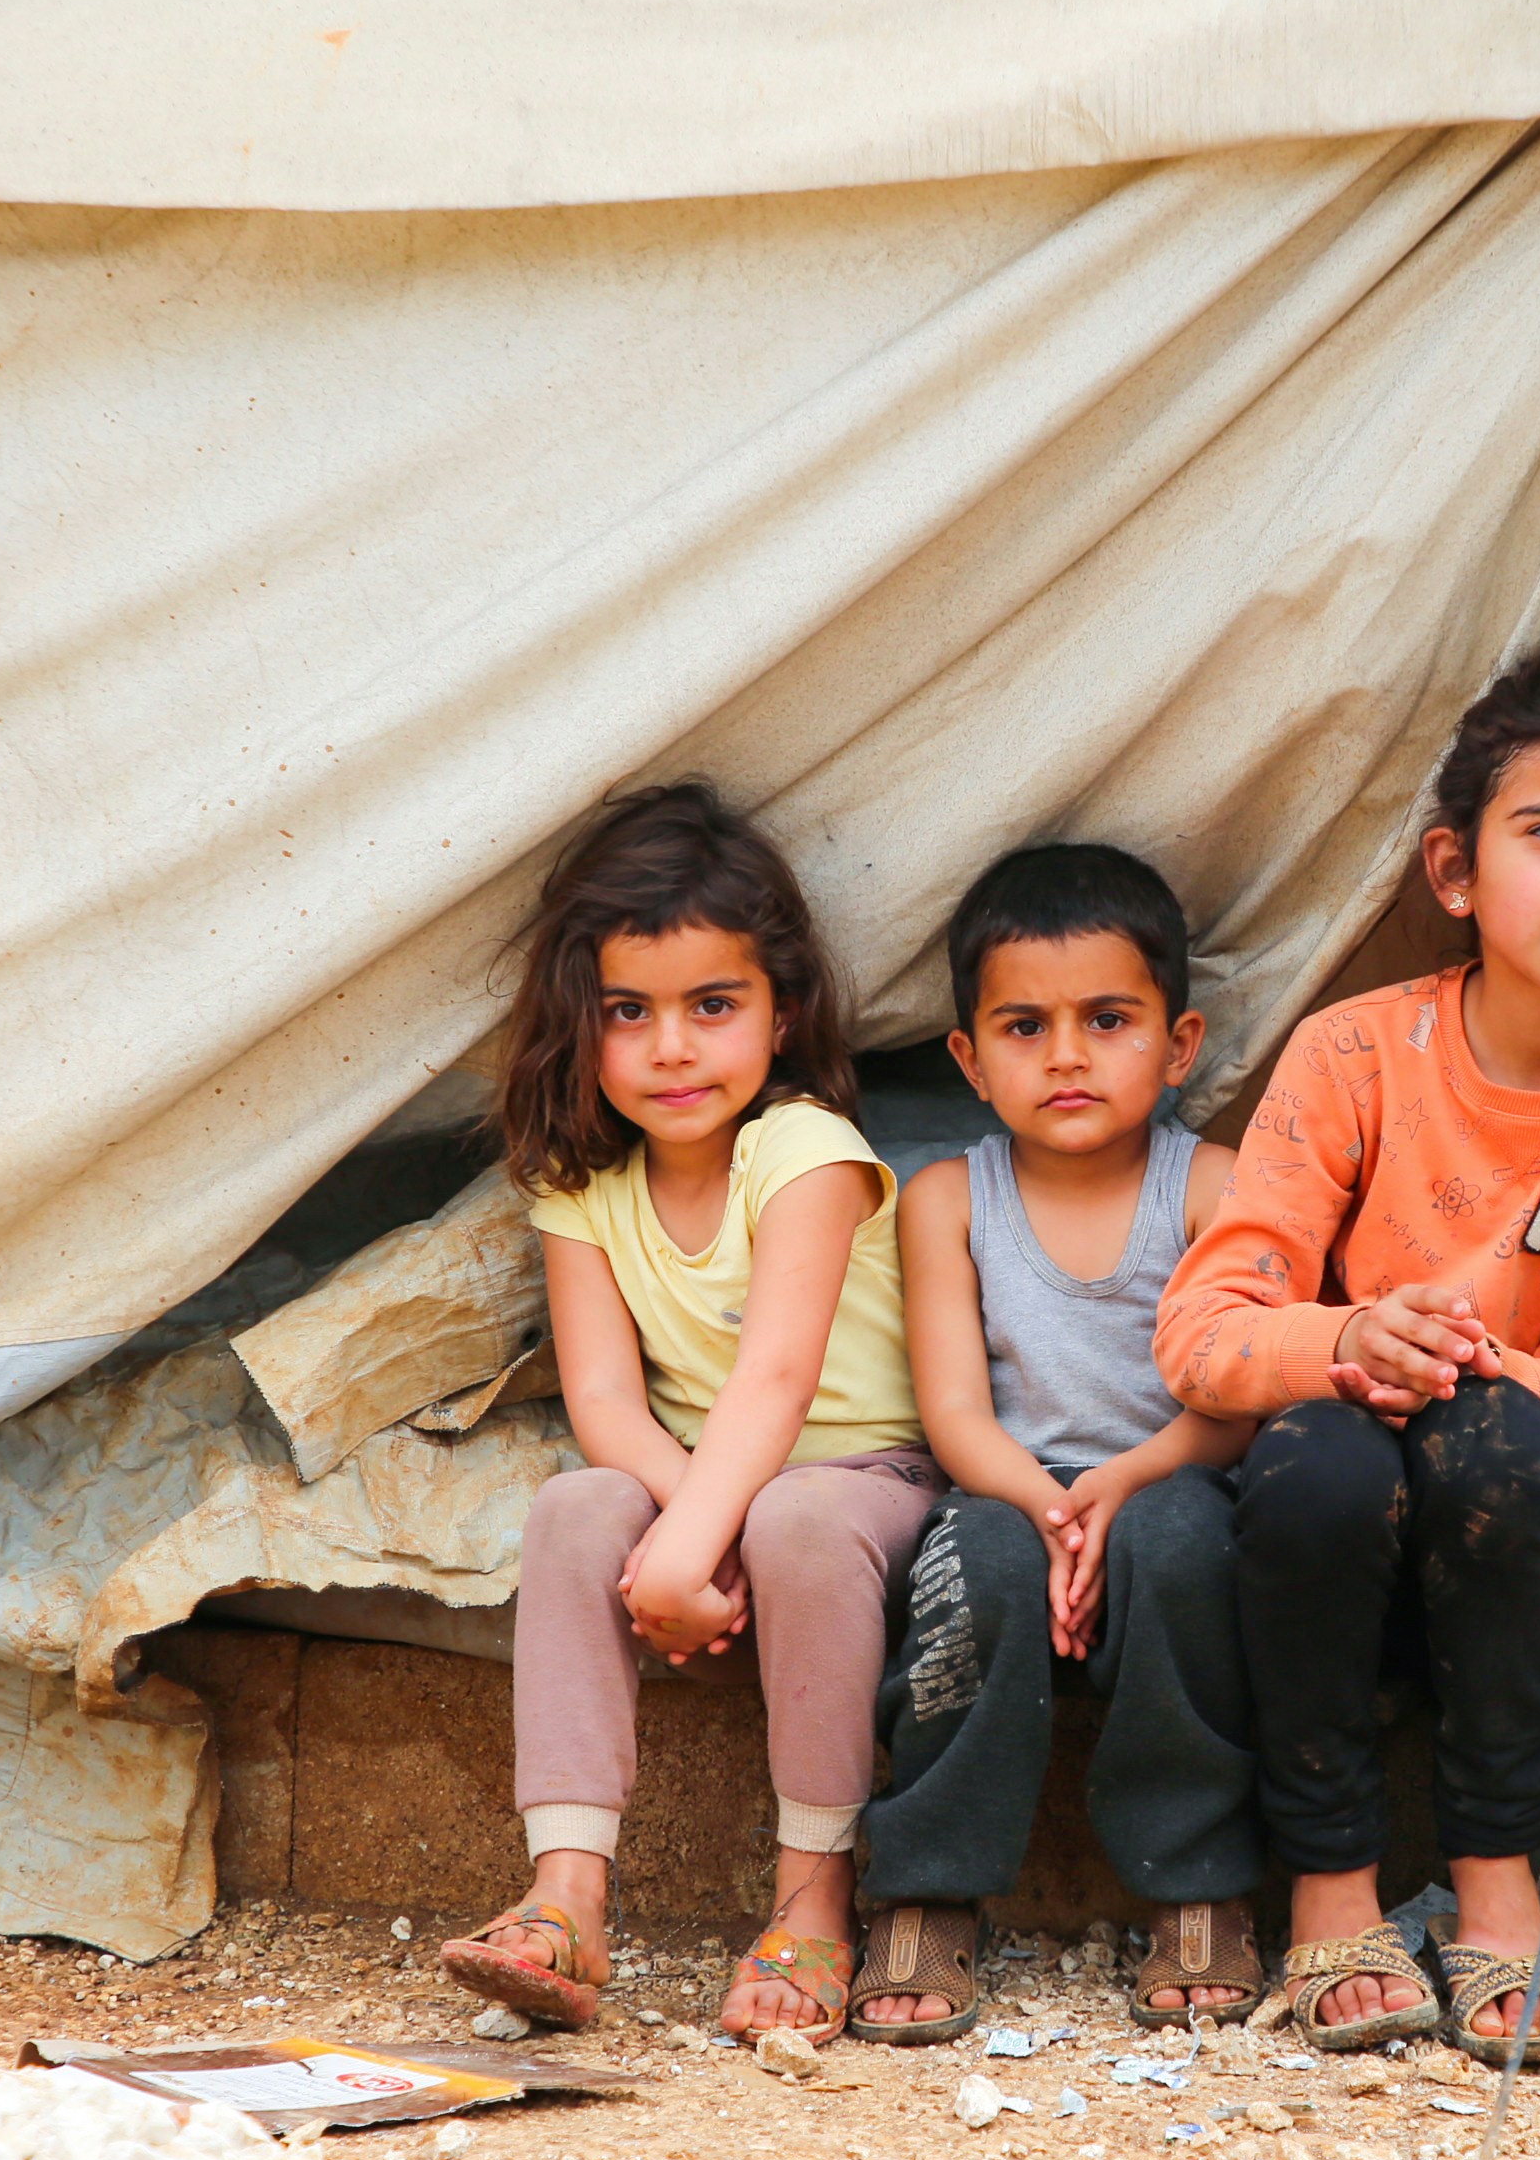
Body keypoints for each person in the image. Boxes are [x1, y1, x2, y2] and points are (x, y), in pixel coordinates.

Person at [1153, 653, 1540, 2061]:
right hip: (1330, 1517)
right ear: (1455, 871)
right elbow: (1204, 1334)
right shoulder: (1355, 1056)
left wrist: (1480, 1369)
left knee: (1503, 1434)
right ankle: (1331, 1884)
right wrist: (1350, 1337)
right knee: (1324, 1456)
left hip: (1508, 1515)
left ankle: (1499, 1883)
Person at [440, 782, 935, 2045]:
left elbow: (776, 1380)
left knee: (804, 1522)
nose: (672, 1047)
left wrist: (695, 1543)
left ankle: (814, 1898)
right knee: (572, 1502)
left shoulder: (806, 1152)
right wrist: (684, 1534)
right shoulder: (585, 1183)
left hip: (855, 1472)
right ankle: (566, 1898)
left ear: (783, 1013)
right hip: (701, 1480)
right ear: (581, 1023)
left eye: (713, 1006)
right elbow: (603, 1395)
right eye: (629, 1012)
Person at [849, 847, 1262, 2044]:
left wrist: (1121, 1488)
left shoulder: (1211, 1186)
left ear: (1178, 1046)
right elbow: (956, 1414)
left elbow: (1237, 1396)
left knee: (1185, 1543)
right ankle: (925, 1885)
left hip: (1173, 1471)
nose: (1068, 1054)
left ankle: (1199, 1884)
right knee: (972, 1562)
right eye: (1025, 1026)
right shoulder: (944, 1200)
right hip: (1005, 1485)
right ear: (970, 1060)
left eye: (1108, 1019)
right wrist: (1046, 1506)